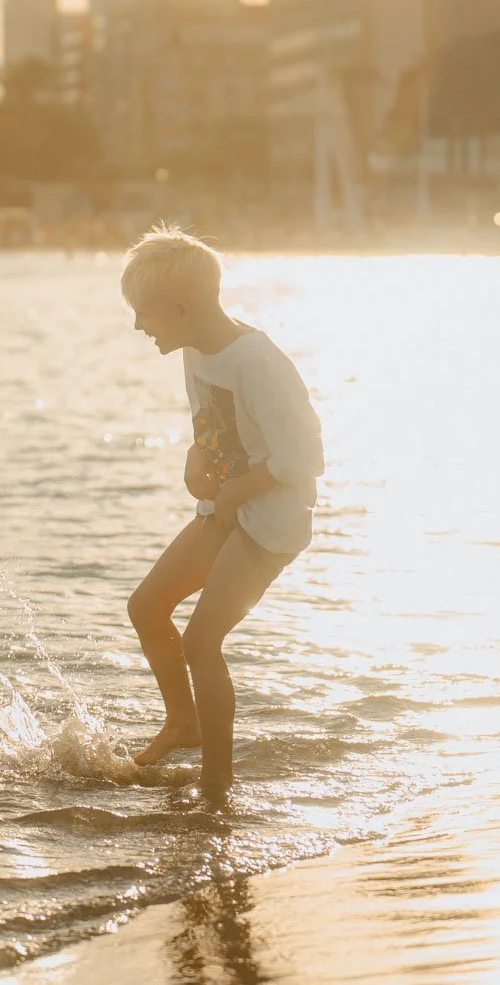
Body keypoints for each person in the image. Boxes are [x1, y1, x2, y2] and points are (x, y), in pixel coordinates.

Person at [119, 226, 323, 799]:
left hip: (272, 518)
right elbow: (211, 428)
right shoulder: (193, 350)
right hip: (229, 505)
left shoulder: (258, 361)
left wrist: (236, 493)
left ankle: (216, 786)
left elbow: (306, 457)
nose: (139, 326)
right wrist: (195, 460)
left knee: (201, 644)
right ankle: (182, 723)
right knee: (146, 606)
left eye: (144, 313)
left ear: (181, 309)